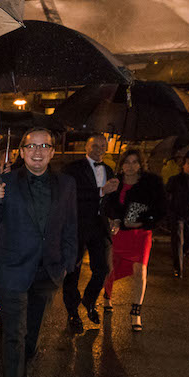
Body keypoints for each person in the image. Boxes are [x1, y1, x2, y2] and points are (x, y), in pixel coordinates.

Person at [0, 127, 77, 377]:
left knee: (32, 336)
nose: (38, 151)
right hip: (12, 271)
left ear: (53, 152)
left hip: (48, 272)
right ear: (21, 152)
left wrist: (67, 264)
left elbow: (71, 225)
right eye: (31, 146)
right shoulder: (5, 182)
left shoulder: (66, 184)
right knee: (14, 336)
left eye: (44, 146)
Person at [102, 149, 166, 332]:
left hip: (141, 233)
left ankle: (136, 312)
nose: (130, 166)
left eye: (134, 162)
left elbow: (161, 208)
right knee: (111, 268)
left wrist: (144, 222)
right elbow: (107, 205)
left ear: (141, 164)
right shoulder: (115, 182)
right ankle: (107, 296)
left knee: (140, 271)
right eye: (127, 162)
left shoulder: (151, 183)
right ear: (121, 164)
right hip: (119, 233)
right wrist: (115, 219)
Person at [61, 134, 117, 333]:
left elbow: (110, 201)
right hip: (77, 225)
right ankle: (72, 312)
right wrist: (101, 191)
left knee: (102, 269)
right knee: (72, 271)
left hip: (99, 227)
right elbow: (70, 193)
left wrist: (115, 218)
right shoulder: (73, 168)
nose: (99, 149)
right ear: (86, 146)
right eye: (95, 145)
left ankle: (89, 300)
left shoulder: (109, 170)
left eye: (103, 146)